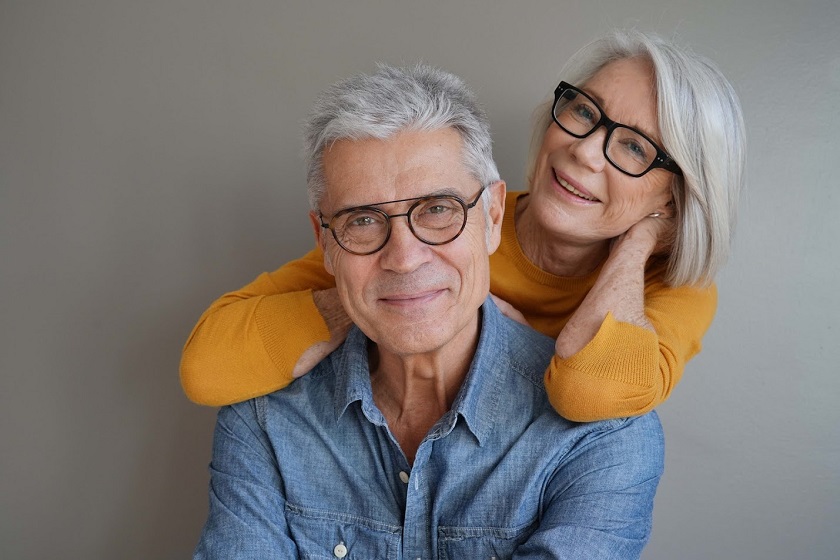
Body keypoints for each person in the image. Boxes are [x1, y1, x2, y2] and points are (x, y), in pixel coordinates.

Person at [193, 63, 664, 559]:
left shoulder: (603, 439)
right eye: (364, 220)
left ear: (493, 217)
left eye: (438, 209)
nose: (403, 258)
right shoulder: (264, 419)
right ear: (325, 244)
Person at [180, 29, 746, 421]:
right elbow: (208, 366)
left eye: (633, 147)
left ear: (675, 194)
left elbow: (592, 389)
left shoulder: (671, 289)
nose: (584, 152)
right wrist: (387, 297)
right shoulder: (447, 218)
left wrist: (640, 239)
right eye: (583, 112)